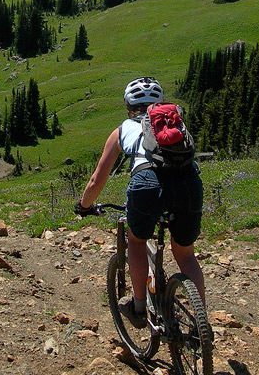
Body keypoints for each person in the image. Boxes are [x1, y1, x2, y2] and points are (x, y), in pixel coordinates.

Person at [75, 77, 205, 328]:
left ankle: (138, 307)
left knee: (136, 241)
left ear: (128, 106)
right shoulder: (175, 125)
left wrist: (84, 205)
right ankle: (202, 323)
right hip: (189, 184)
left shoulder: (122, 130)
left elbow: (97, 180)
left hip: (147, 184)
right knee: (185, 254)